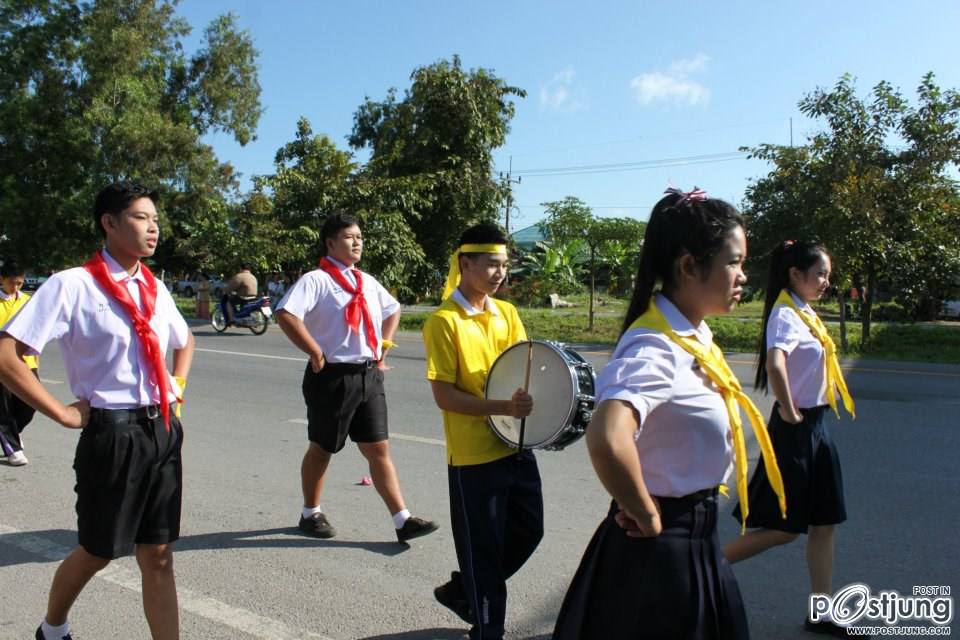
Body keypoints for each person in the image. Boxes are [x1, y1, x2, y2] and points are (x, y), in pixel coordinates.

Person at [553, 188, 785, 640]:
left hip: (695, 540)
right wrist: (646, 512)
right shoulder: (655, 347)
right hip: (660, 553)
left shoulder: (693, 333)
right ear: (688, 265)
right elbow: (607, 436)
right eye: (733, 262)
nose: (743, 276)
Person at [0, 182, 195, 640]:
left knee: (159, 553)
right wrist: (61, 413)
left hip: (163, 431)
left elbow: (184, 341)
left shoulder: (154, 287)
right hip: (114, 435)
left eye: (156, 220)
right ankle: (52, 629)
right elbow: (7, 355)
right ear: (109, 223)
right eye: (142, 218)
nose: (154, 228)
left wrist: (177, 387)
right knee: (98, 549)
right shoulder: (73, 285)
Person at [275, 211, 437, 543]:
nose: (357, 242)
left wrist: (385, 346)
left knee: (379, 448)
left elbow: (393, 309)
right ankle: (310, 512)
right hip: (331, 377)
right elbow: (286, 314)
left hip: (368, 376)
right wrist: (315, 351)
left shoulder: (366, 281)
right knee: (322, 448)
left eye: (360, 237)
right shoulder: (316, 280)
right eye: (350, 237)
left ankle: (402, 518)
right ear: (331, 242)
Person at [724, 241, 856, 638]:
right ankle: (698, 567)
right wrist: (789, 408)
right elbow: (775, 362)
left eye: (827, 275)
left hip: (817, 428)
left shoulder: (804, 311)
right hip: (796, 428)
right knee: (783, 529)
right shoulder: (784, 313)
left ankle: (822, 611)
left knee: (824, 523)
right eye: (820, 274)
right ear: (795, 275)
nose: (826, 282)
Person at [422, 222, 542, 640]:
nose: (499, 274)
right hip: (474, 458)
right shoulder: (443, 322)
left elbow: (524, 370)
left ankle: (465, 587)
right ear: (465, 263)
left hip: (516, 445)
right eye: (491, 264)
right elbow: (445, 396)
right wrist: (501, 407)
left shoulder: (506, 312)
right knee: (484, 551)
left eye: (504, 266)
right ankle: (488, 628)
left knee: (530, 531)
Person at [0, 260, 39, 465]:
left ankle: (13, 432)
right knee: (3, 407)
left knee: (30, 404)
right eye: (12, 283)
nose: (16, 288)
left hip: (27, 363)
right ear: (2, 280)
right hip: (1, 365)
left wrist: (36, 359)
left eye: (20, 283)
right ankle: (13, 450)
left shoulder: (27, 301)